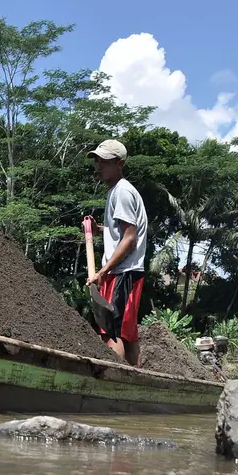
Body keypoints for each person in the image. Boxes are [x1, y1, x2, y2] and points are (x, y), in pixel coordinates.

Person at [86, 139, 148, 367]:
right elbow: (122, 231)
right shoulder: (117, 191)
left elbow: (130, 239)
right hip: (126, 271)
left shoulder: (122, 192)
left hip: (123, 272)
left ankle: (114, 381)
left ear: (120, 163)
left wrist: (103, 271)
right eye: (97, 160)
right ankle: (136, 379)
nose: (98, 166)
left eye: (104, 162)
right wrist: (99, 230)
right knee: (126, 333)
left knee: (112, 333)